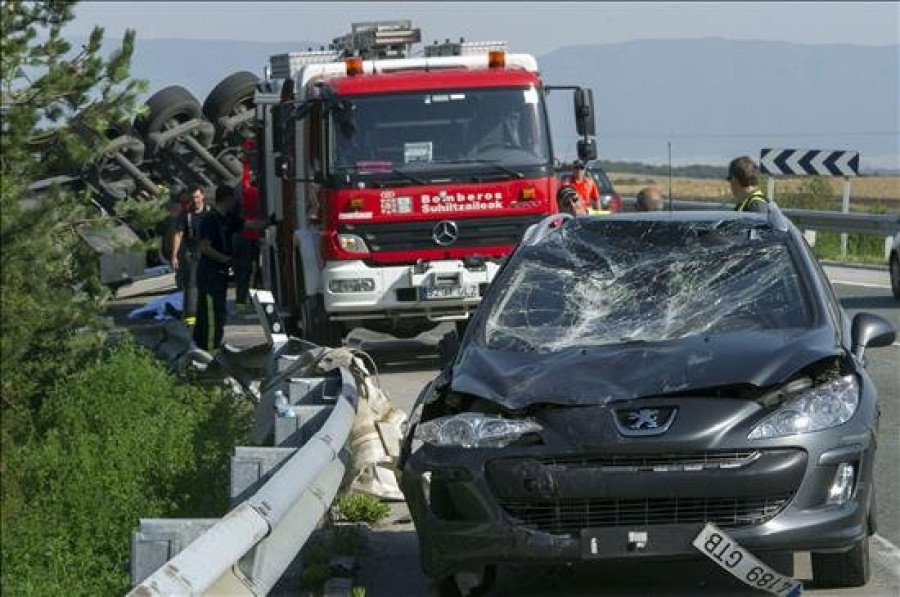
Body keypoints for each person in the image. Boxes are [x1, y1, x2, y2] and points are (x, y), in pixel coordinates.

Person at [193, 185, 244, 351]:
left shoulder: (228, 218)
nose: (236, 202)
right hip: (209, 274)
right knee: (211, 314)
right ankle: (209, 349)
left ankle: (213, 344)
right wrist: (226, 259)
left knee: (220, 312)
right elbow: (204, 247)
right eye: (233, 199)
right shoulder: (210, 220)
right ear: (227, 199)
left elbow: (249, 225)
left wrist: (272, 221)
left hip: (219, 274)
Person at [171, 186, 210, 326]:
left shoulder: (210, 213)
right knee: (191, 285)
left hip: (209, 253)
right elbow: (178, 234)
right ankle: (191, 316)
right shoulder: (186, 215)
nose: (195, 200)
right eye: (193, 198)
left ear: (203, 197)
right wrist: (174, 255)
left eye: (198, 197)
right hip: (192, 254)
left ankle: (207, 313)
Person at [233, 165, 263, 314]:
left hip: (251, 234)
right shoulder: (244, 190)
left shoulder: (242, 189)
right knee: (247, 270)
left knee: (250, 270)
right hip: (248, 234)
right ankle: (246, 300)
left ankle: (246, 300)